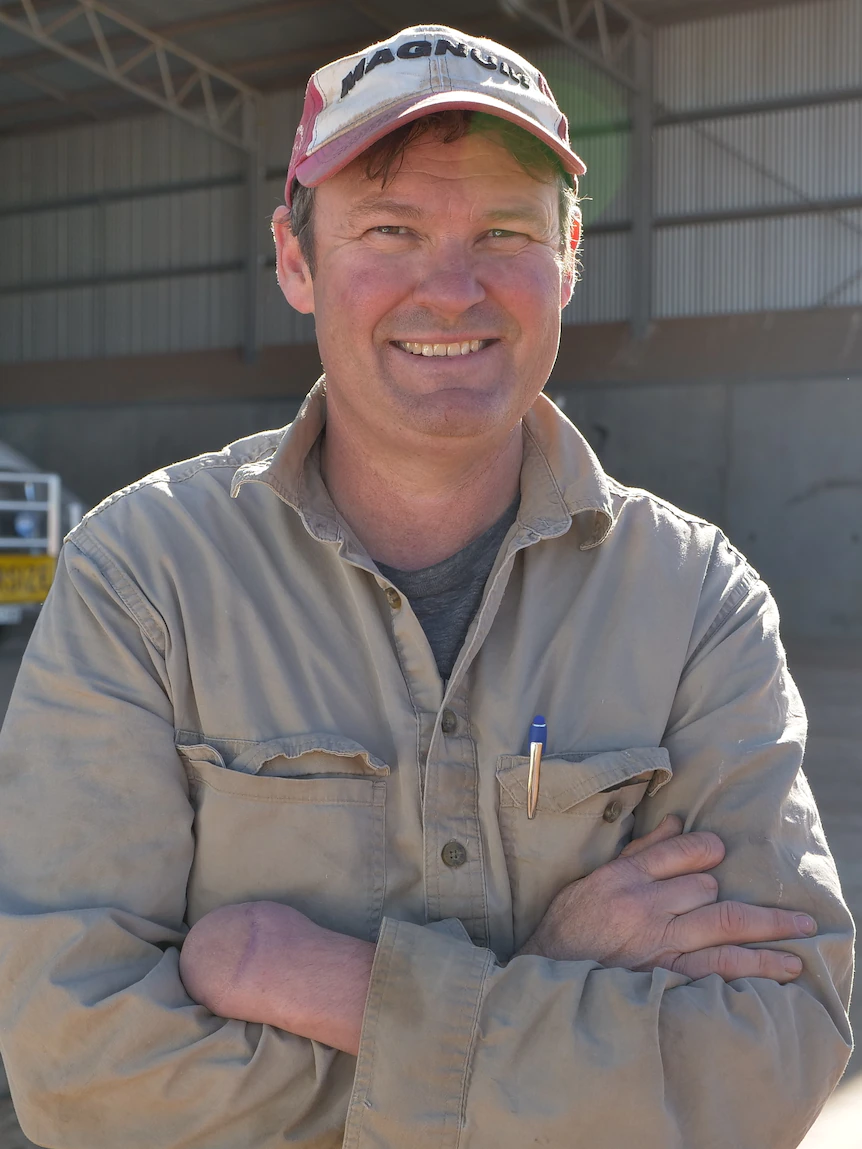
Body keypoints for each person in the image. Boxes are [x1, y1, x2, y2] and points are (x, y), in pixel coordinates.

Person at [0, 23, 852, 1149]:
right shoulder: (144, 576)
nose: (451, 290)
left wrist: (340, 992)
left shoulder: (695, 599)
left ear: (568, 259)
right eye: (390, 231)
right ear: (295, 261)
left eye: (503, 232)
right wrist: (560, 982)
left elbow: (774, 1053)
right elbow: (80, 1069)